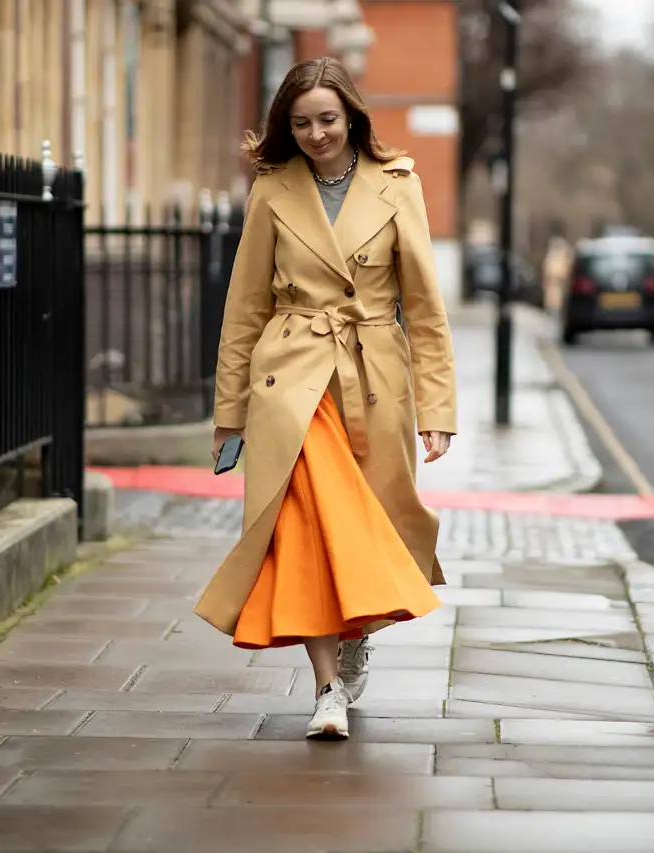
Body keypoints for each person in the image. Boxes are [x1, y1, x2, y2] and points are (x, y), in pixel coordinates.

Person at [193, 57, 457, 741]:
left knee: (366, 529)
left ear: (352, 117)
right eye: (302, 122)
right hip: (292, 378)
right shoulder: (273, 189)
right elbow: (244, 308)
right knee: (308, 527)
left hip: (374, 377)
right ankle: (326, 687)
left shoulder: (398, 186)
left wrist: (437, 409)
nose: (315, 133)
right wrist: (230, 412)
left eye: (327, 119)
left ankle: (354, 634)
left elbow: (425, 309)